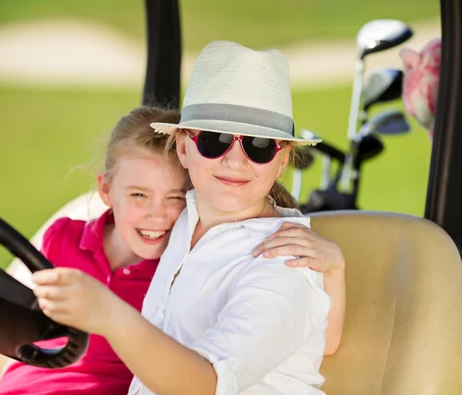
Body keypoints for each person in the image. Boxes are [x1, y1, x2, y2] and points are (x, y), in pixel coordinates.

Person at [30, 40, 344, 394]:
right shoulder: (182, 216)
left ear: (282, 160)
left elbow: (204, 386)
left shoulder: (283, 264)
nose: (235, 161)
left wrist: (111, 315)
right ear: (182, 147)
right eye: (215, 140)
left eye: (258, 145)